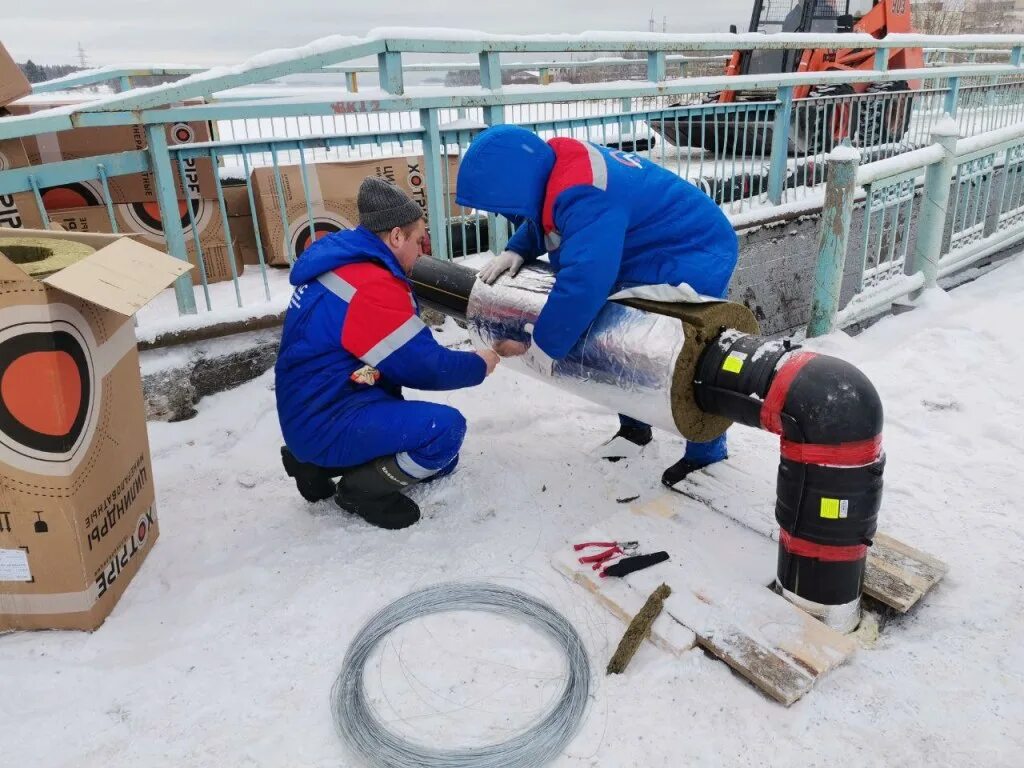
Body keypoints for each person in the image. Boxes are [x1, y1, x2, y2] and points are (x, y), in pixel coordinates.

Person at [455, 125, 738, 490]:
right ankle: (635, 428)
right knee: (617, 338)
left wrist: (544, 346)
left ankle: (706, 451)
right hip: (649, 246)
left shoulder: (585, 192)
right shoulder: (556, 172)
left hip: (694, 250)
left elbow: (584, 281)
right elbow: (549, 217)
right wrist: (519, 248)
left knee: (693, 352)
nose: (501, 214)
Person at [275, 177, 499, 530]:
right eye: (419, 239)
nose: (423, 250)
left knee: (445, 460)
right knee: (444, 433)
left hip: (316, 408)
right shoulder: (369, 287)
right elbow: (428, 368)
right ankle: (362, 490)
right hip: (329, 418)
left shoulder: (342, 262)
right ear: (396, 236)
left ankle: (313, 465)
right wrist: (482, 362)